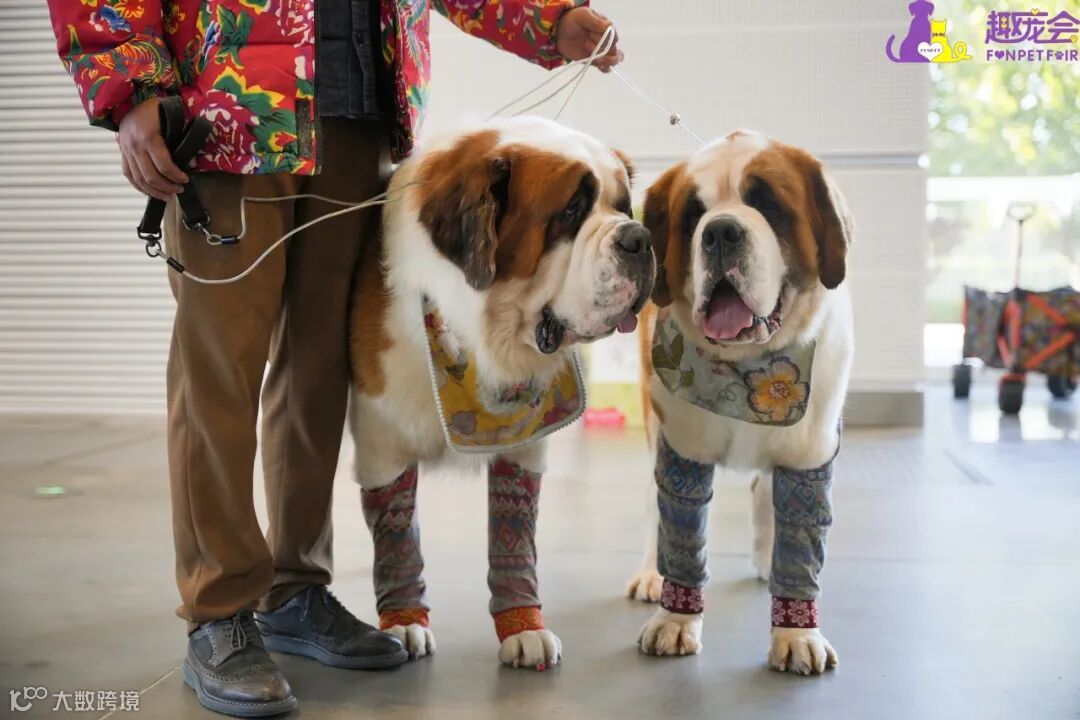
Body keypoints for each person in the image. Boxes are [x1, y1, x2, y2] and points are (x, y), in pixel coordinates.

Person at [45, 0, 622, 716]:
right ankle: (219, 609)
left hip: (358, 119)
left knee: (318, 370)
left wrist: (547, 19)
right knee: (218, 374)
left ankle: (295, 589)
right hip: (226, 107)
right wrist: (130, 86)